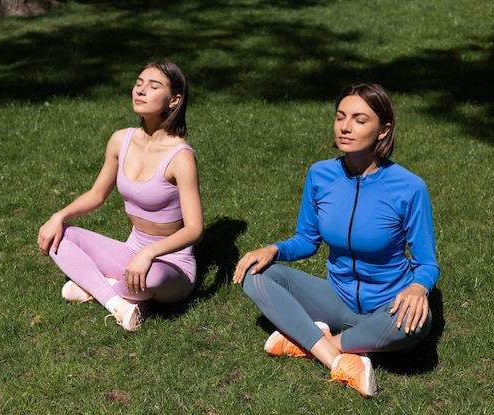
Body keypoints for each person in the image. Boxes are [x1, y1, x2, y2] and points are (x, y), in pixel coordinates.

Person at [232, 83, 439, 397]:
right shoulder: (320, 175)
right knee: (255, 274)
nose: (345, 126)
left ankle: (313, 341)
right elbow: (307, 239)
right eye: (340, 116)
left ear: (383, 130)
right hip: (336, 296)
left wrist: (417, 287)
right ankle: (341, 359)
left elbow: (426, 263)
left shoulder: (409, 187)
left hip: (387, 305)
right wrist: (274, 249)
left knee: (415, 324)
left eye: (359, 119)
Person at [38, 61, 203, 331]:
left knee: (152, 276)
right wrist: (59, 216)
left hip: (171, 265)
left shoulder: (181, 156)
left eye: (153, 86)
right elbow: (96, 194)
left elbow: (195, 229)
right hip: (131, 251)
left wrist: (149, 253)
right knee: (59, 236)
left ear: (174, 100)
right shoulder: (120, 140)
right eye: (138, 84)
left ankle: (100, 285)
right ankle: (119, 303)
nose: (141, 90)